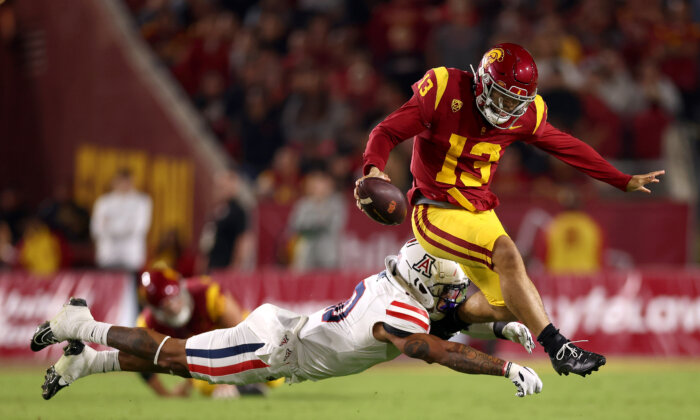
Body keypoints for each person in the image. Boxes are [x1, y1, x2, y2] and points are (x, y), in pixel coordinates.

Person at [355, 43, 665, 376]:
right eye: (501, 96)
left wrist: (620, 179)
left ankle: (448, 318)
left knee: (513, 303)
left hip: (479, 209)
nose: (505, 107)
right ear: (482, 81)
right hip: (435, 208)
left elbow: (567, 146)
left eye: (514, 101)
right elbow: (386, 131)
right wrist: (374, 167)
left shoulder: (527, 114)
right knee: (507, 253)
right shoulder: (445, 89)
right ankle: (559, 347)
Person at [32, 240, 542, 400]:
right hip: (274, 346)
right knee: (177, 354)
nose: (457, 295)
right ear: (427, 280)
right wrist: (501, 368)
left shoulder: (395, 288)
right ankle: (82, 326)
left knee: (184, 367)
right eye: (450, 286)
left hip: (285, 340)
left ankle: (87, 366)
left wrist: (500, 326)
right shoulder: (399, 313)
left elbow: (444, 322)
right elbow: (431, 346)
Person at [135, 266, 265, 398]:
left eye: (176, 299)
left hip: (236, 345)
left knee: (268, 367)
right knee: (204, 382)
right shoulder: (147, 324)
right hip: (208, 360)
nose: (175, 308)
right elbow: (141, 363)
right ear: (155, 310)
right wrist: (166, 395)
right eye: (166, 306)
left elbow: (243, 331)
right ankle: (246, 387)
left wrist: (228, 374)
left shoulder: (207, 292)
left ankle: (246, 383)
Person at [90, 168, 152, 272]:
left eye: (127, 181)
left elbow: (140, 228)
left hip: (131, 255)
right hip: (108, 254)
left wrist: (110, 225)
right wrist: (123, 225)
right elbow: (97, 228)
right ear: (114, 182)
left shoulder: (142, 202)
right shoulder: (104, 202)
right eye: (120, 181)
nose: (124, 184)